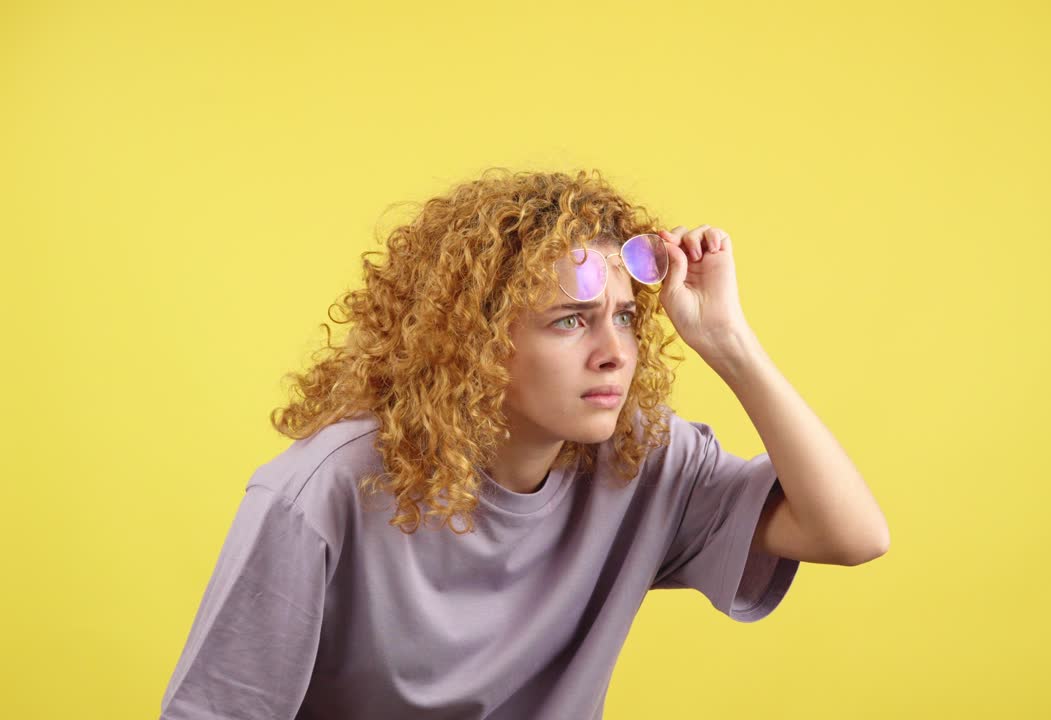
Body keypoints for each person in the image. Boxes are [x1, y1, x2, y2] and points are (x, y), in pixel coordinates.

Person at [159, 168, 886, 719]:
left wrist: (729, 343)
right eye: (570, 320)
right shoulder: (327, 489)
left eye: (627, 319)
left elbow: (853, 534)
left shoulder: (644, 460)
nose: (614, 353)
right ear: (473, 340)